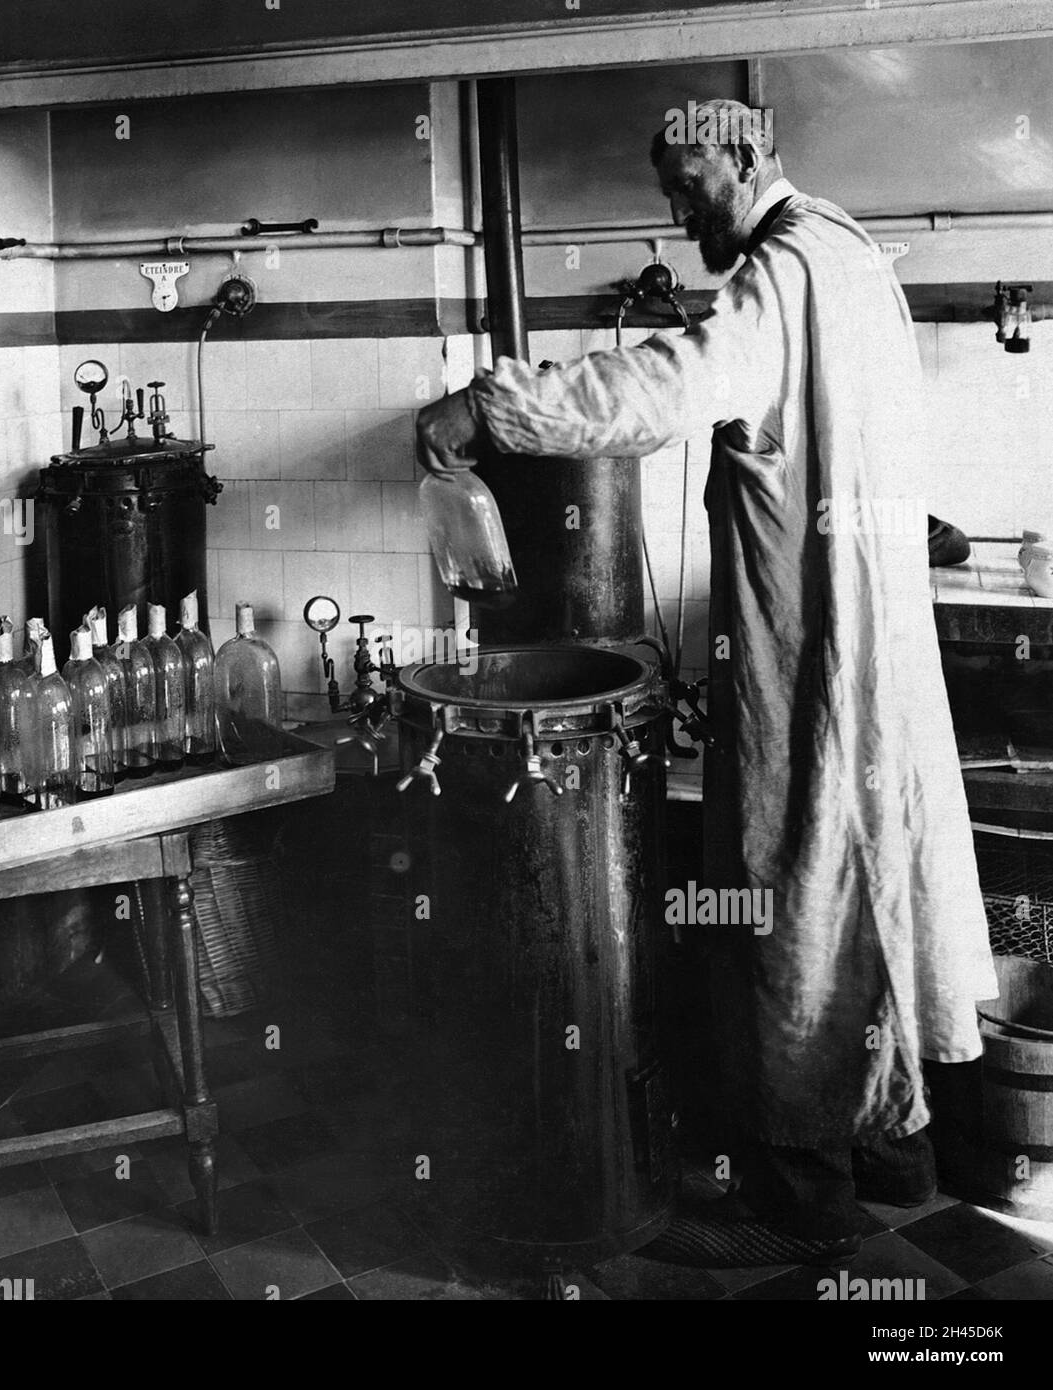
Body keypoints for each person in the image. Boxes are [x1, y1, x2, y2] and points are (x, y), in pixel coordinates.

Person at [415, 98, 997, 1266]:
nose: (682, 218)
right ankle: (893, 1147)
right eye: (671, 198)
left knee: (796, 892)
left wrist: (491, 404)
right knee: (869, 882)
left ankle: (800, 1187)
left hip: (812, 652)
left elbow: (659, 390)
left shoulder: (781, 277)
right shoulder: (854, 256)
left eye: (692, 189)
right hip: (875, 639)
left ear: (750, 158)